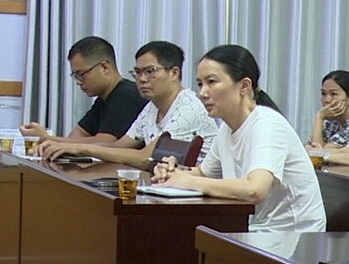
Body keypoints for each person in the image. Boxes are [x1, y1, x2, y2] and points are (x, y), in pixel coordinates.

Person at [152, 45, 326, 232]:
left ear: (244, 86)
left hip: (293, 236)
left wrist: (189, 181)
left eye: (212, 82)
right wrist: (173, 172)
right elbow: (204, 173)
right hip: (254, 230)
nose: (202, 93)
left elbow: (255, 189)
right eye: (200, 84)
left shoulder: (267, 123)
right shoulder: (227, 127)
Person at [40, 40, 217, 168]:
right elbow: (118, 147)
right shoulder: (151, 107)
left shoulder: (187, 109)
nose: (142, 79)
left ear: (174, 73)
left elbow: (146, 158)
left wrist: (81, 149)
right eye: (138, 72)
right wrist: (69, 147)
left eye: (150, 71)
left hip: (202, 196)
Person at [20, 36, 145, 144]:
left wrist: (47, 139)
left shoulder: (126, 96)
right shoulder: (103, 98)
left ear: (104, 67)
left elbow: (105, 143)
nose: (78, 81)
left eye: (81, 74)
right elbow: (78, 133)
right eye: (75, 76)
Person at [308, 70, 349, 148]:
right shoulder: (330, 121)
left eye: (333, 94)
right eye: (323, 93)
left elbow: (320, 151)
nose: (326, 100)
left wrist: (319, 116)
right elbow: (309, 147)